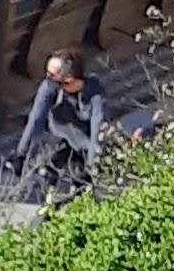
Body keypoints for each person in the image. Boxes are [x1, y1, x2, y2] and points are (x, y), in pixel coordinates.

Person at [19, 52, 108, 190]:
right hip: (58, 134)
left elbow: (97, 126)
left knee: (81, 180)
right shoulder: (49, 87)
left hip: (84, 139)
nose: (48, 78)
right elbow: (36, 119)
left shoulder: (94, 90)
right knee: (49, 171)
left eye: (52, 75)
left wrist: (92, 166)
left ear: (69, 77)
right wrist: (21, 153)